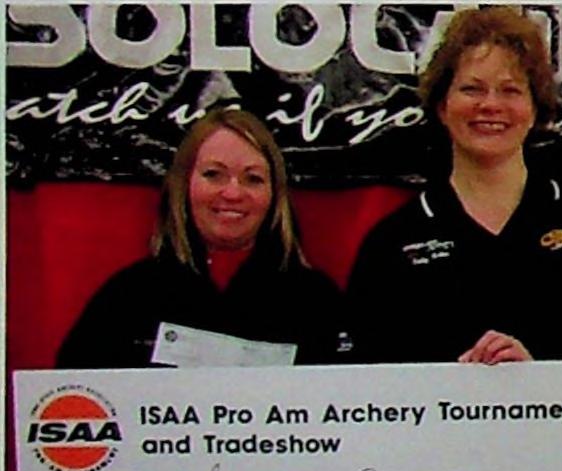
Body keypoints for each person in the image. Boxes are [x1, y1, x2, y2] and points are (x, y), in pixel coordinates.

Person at [346, 6, 562, 364]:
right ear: (442, 106)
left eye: (510, 90)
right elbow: (362, 382)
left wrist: (535, 381)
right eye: (472, 89)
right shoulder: (391, 243)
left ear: (535, 108)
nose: (490, 105)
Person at [58, 109, 347, 368]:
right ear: (184, 185)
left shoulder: (316, 302)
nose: (233, 193)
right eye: (214, 174)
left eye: (253, 178)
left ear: (274, 194)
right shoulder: (128, 298)